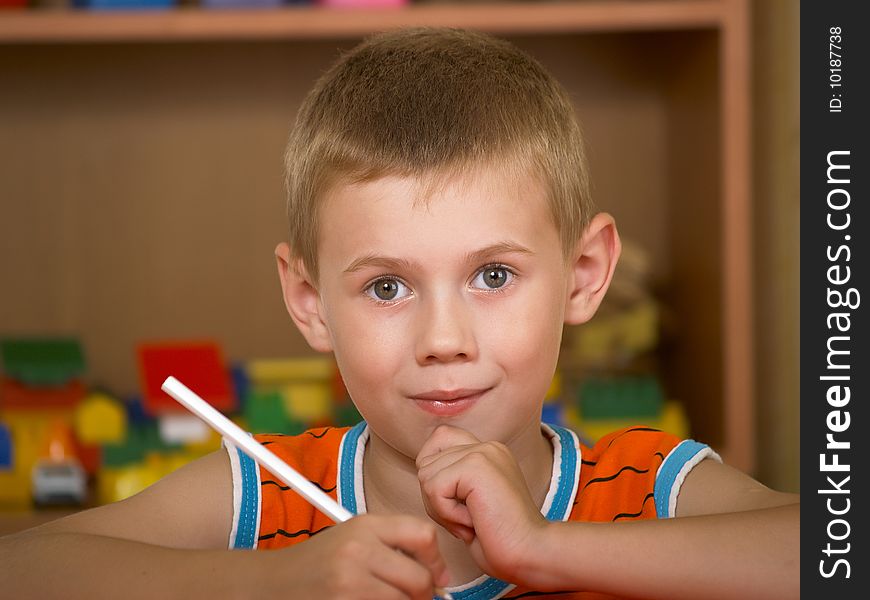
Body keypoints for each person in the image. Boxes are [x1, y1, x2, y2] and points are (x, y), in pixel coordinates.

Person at [0, 28, 798, 600]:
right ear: (309, 302)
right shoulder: (261, 499)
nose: (443, 342)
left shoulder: (646, 490)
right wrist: (277, 580)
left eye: (492, 274)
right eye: (388, 287)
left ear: (584, 275)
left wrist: (547, 552)